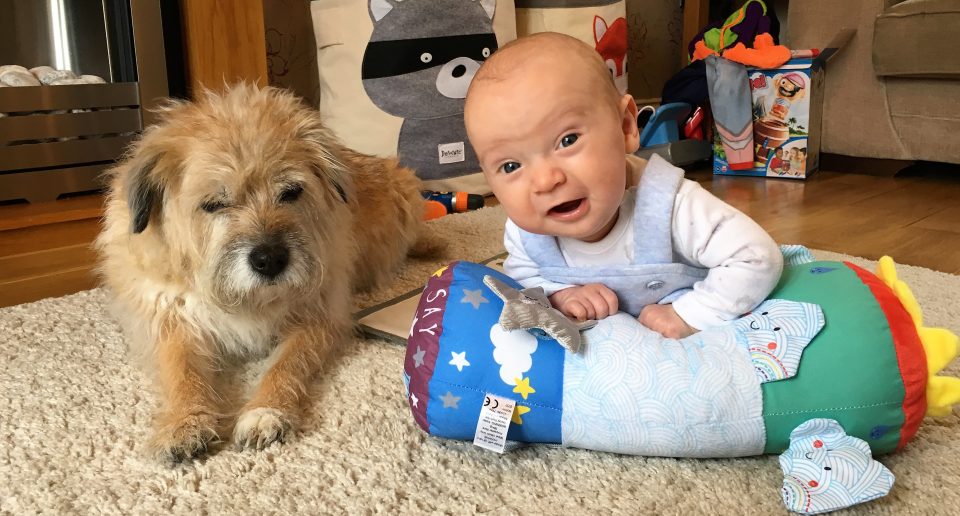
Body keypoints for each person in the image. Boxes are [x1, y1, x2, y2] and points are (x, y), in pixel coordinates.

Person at [463, 32, 783, 339]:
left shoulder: (670, 206)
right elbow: (523, 276)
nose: (545, 181)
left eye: (568, 140)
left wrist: (689, 314)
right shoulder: (526, 234)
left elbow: (756, 257)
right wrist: (559, 294)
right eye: (510, 166)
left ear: (627, 126)